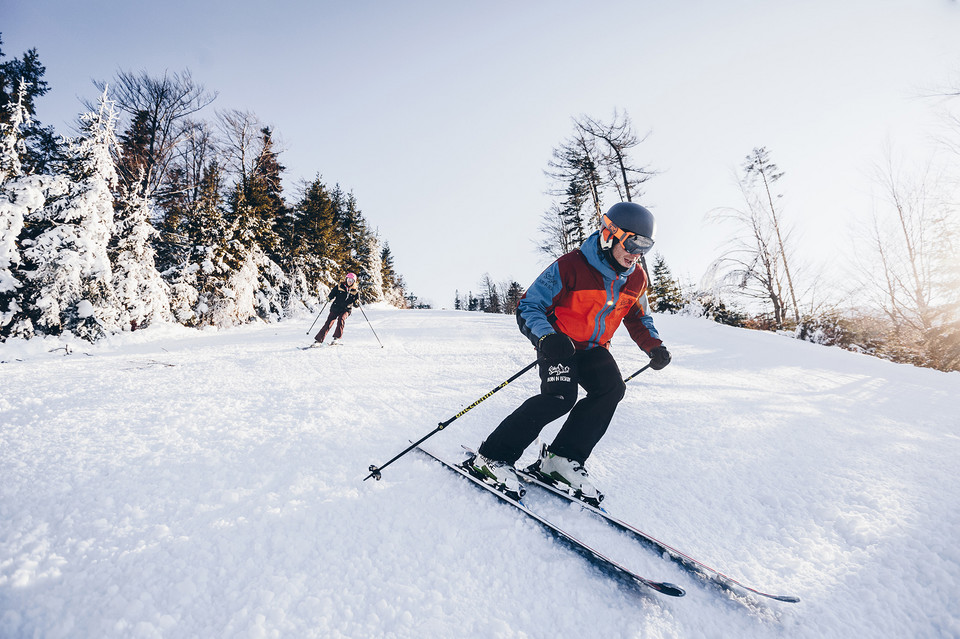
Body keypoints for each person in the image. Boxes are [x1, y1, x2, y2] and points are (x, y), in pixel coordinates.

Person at [471, 202, 672, 503]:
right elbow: (529, 306)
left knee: (611, 389)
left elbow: (638, 316)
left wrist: (653, 345)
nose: (636, 253)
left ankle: (561, 460)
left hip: (593, 348)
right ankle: (491, 457)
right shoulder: (571, 266)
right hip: (559, 344)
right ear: (610, 234)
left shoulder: (636, 278)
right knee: (560, 397)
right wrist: (547, 337)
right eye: (632, 242)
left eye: (646, 246)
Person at [313, 272, 361, 346]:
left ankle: (336, 338)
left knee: (341, 319)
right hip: (336, 307)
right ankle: (319, 340)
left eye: (351, 280)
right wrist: (329, 298)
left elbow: (356, 303)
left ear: (354, 282)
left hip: (346, 309)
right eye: (348, 279)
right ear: (346, 279)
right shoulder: (339, 286)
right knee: (329, 322)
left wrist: (357, 303)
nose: (349, 281)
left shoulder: (355, 291)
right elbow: (332, 293)